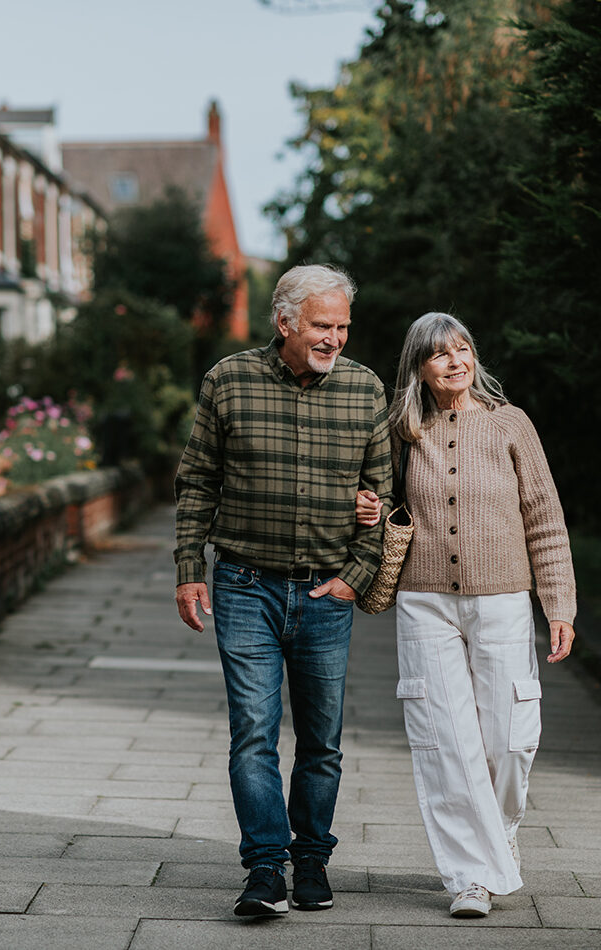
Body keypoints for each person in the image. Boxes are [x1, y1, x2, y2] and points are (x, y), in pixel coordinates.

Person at [174, 264, 391, 917]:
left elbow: (383, 497)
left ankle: (312, 860)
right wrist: (189, 566)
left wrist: (354, 579)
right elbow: (197, 480)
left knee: (322, 740)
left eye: (343, 327)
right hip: (245, 584)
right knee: (254, 732)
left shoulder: (365, 390)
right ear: (286, 322)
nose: (335, 339)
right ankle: (265, 870)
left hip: (327, 593)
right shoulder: (230, 380)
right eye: (323, 326)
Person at [355, 311, 575, 919]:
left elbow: (545, 518)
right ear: (419, 369)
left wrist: (558, 605)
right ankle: (469, 878)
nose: (455, 362)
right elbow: (378, 499)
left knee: (509, 738)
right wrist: (369, 510)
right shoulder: (403, 431)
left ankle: (496, 841)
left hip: (503, 599)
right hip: (425, 603)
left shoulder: (512, 425)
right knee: (445, 740)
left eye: (463, 350)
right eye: (439, 355)